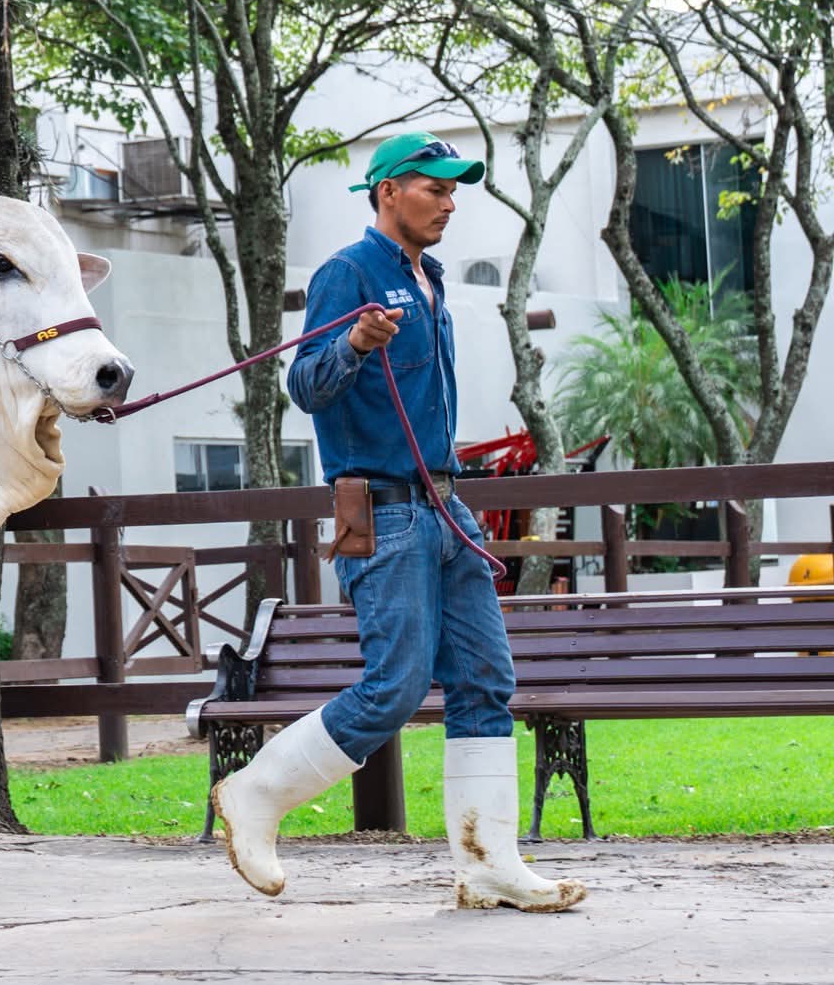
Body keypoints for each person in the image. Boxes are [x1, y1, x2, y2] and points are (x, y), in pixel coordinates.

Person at [211, 132, 586, 913]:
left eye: (454, 191)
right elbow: (306, 387)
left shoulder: (433, 278)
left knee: (486, 678)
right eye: (434, 188)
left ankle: (488, 865)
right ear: (388, 191)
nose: (450, 202)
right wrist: (351, 341)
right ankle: (254, 794)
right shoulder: (348, 273)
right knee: (397, 684)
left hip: (445, 506)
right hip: (382, 512)